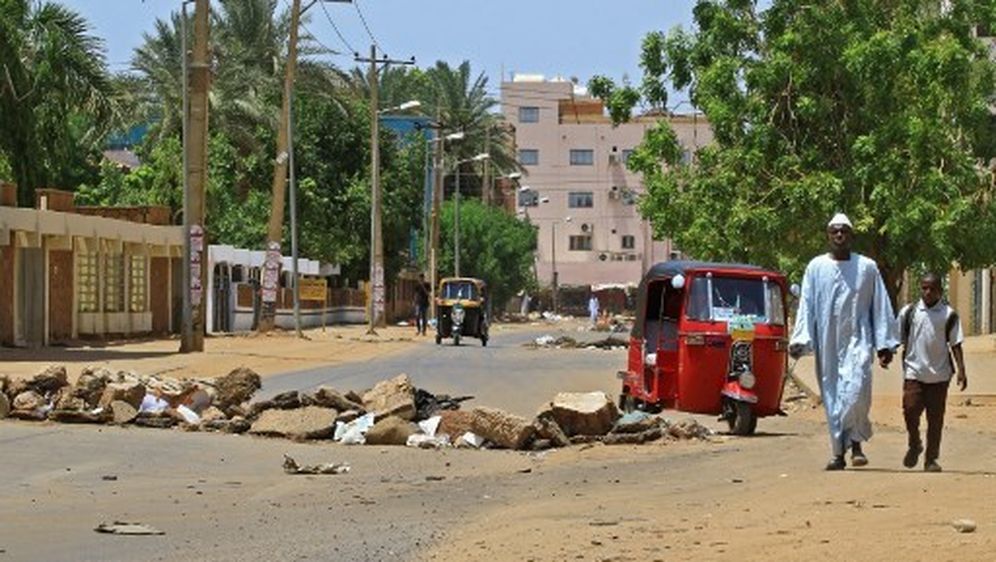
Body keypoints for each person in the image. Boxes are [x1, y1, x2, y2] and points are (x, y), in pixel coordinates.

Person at [789, 213, 898, 470]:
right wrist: (801, 338)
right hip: (828, 341)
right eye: (835, 231)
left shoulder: (867, 267)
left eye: (844, 231)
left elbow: (879, 305)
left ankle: (856, 443)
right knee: (833, 395)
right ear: (828, 235)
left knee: (857, 389)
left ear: (851, 236)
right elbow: (806, 304)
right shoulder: (816, 267)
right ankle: (839, 453)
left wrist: (884, 344)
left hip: (859, 339)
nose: (839, 235)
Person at [895, 272, 967, 472]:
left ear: (939, 291)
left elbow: (956, 344)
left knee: (935, 420)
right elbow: (896, 337)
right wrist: (887, 353)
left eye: (932, 288)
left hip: (939, 375)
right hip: (913, 372)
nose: (927, 292)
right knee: (910, 410)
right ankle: (914, 442)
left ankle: (931, 459)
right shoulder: (909, 312)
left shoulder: (948, 315)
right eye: (924, 288)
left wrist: (962, 369)